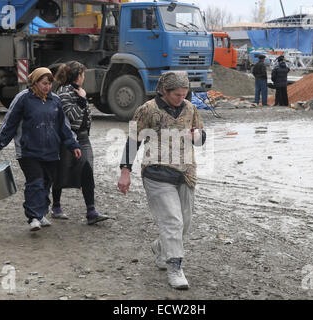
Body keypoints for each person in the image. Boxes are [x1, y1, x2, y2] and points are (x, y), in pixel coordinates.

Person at [117, 71, 206, 290]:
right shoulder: (146, 110)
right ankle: (175, 267)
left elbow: (201, 137)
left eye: (184, 94)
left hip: (185, 174)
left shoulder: (190, 109)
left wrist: (197, 136)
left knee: (185, 223)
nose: (181, 98)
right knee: (172, 221)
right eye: (177, 94)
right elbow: (132, 140)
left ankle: (160, 247)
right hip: (157, 174)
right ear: (164, 91)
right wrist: (125, 171)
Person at [0, 68, 81, 232]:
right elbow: (10, 122)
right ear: (35, 82)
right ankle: (33, 217)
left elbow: (63, 126)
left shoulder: (55, 101)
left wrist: (73, 145)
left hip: (51, 151)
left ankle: (41, 213)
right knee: (35, 181)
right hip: (28, 151)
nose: (47, 87)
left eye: (50, 83)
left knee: (46, 183)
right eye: (44, 83)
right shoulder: (23, 99)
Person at [51, 61, 109, 225]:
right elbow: (71, 117)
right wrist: (83, 101)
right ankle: (56, 206)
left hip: (83, 138)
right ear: (77, 76)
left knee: (87, 170)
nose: (84, 77)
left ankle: (91, 211)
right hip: (68, 139)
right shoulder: (63, 92)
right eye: (82, 74)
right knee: (61, 172)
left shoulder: (78, 91)